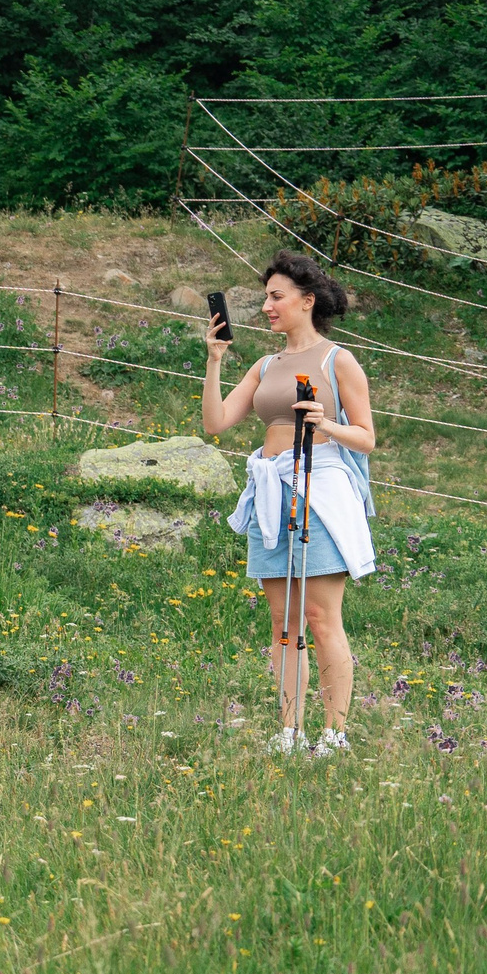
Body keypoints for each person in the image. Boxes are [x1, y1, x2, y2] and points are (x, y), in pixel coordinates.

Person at [202, 250, 376, 756]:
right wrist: (214, 363)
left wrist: (324, 423)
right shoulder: (265, 364)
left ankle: (334, 733)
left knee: (321, 619)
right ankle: (290, 731)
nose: (267, 306)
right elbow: (216, 423)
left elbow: (365, 437)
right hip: (271, 490)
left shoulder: (336, 360)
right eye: (265, 298)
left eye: (276, 297)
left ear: (307, 301)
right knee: (283, 623)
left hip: (319, 488)